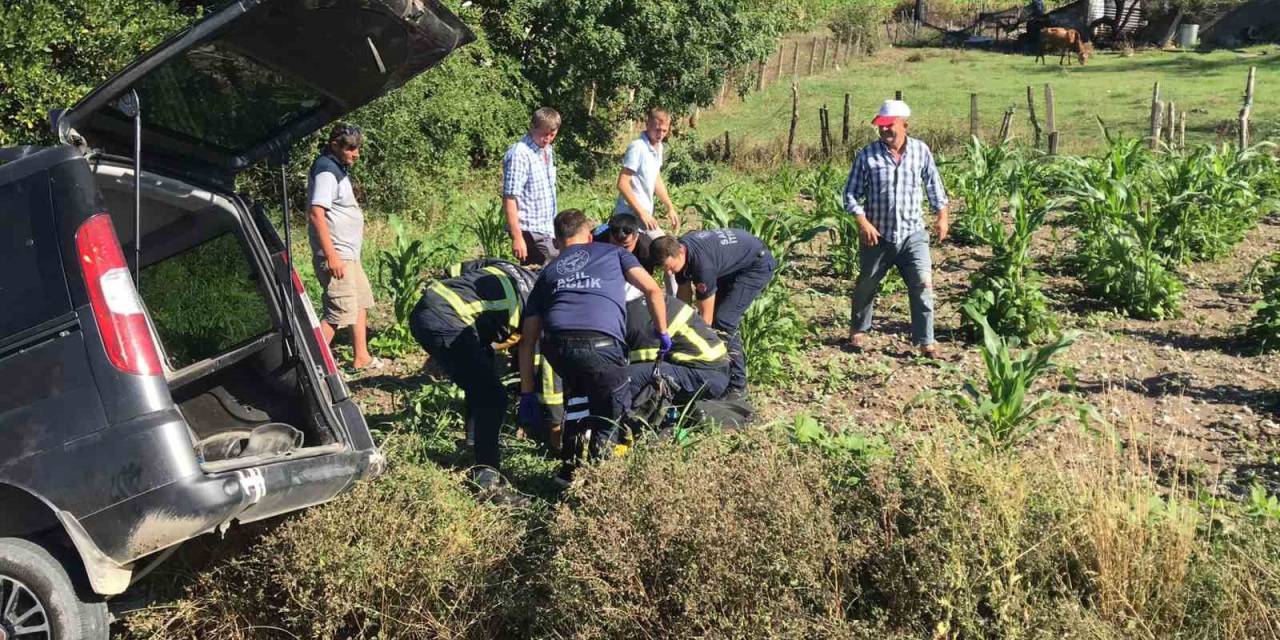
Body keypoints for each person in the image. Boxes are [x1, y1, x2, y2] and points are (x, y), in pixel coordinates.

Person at [517, 209, 669, 477]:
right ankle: (601, 478)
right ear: (589, 236)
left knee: (579, 397)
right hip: (602, 344)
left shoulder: (547, 271)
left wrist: (527, 393)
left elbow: (528, 341)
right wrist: (663, 332)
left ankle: (570, 470)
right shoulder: (614, 253)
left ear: (556, 239)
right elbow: (653, 289)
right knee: (612, 411)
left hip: (558, 349)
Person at [408, 259, 536, 499]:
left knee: (481, 372)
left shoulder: (505, 265)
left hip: (428, 306)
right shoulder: (538, 301)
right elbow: (530, 348)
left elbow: (456, 268)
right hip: (448, 320)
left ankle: (474, 444)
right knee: (493, 397)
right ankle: (487, 482)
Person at [843, 99, 949, 357]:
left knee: (923, 285)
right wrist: (863, 222)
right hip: (877, 235)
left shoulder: (921, 151)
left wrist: (942, 216)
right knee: (866, 285)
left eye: (889, 126)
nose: (884, 131)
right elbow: (850, 195)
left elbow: (935, 187)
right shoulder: (867, 155)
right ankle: (858, 329)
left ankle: (926, 341)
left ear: (905, 125)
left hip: (914, 234)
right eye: (881, 126)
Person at [650, 229, 775, 400]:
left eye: (670, 268)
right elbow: (684, 299)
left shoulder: (703, 266)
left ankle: (738, 385)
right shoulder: (680, 251)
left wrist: (695, 348)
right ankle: (723, 370)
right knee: (715, 319)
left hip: (755, 266)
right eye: (665, 270)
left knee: (724, 321)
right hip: (732, 265)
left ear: (680, 253)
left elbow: (706, 320)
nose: (670, 273)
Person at [308, 123, 380, 369]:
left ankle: (362, 357)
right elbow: (317, 214)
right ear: (334, 145)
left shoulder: (337, 168)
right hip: (337, 254)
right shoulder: (326, 171)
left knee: (358, 302)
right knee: (337, 313)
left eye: (357, 148)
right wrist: (332, 256)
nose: (356, 153)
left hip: (349, 254)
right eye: (350, 148)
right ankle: (309, 367)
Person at [623, 292, 730, 404]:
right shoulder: (654, 301)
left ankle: (631, 418)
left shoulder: (638, 320)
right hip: (713, 369)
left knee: (627, 377)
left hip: (705, 374)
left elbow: (646, 365)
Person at [503, 107, 561, 265]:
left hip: (547, 228)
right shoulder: (519, 154)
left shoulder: (547, 150)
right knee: (546, 273)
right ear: (532, 127)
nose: (548, 139)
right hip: (529, 230)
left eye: (552, 134)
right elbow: (509, 198)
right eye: (544, 134)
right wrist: (517, 237)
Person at [615, 108, 679, 232]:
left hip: (644, 217)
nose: (660, 135)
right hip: (629, 218)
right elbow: (622, 183)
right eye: (657, 130)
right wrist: (642, 213)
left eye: (664, 131)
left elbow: (656, 179)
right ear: (647, 125)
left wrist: (670, 207)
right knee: (661, 248)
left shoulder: (658, 147)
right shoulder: (638, 147)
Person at [593, 212, 660, 272]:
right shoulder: (599, 240)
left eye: (626, 247)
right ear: (610, 234)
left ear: (636, 237)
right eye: (614, 246)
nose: (619, 251)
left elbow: (645, 279)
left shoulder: (646, 251)